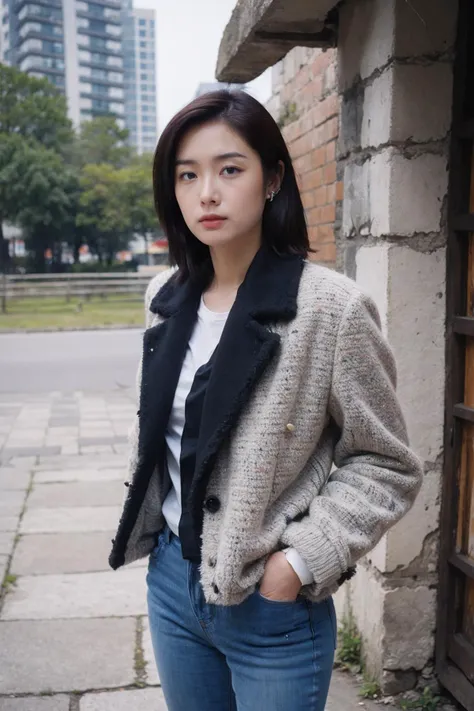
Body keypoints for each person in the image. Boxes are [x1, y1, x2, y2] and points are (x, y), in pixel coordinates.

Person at [109, 90, 422, 711]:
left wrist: (299, 564)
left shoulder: (332, 310)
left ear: (272, 178)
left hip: (268, 602)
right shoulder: (164, 296)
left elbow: (387, 465)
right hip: (172, 584)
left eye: (230, 169)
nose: (207, 193)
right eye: (187, 175)